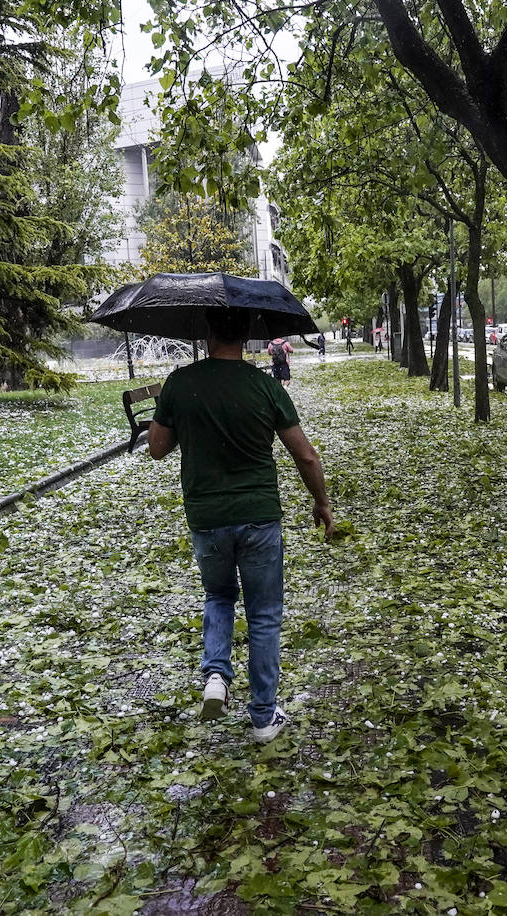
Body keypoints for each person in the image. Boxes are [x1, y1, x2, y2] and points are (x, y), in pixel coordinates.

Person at [148, 308, 334, 744]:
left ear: (209, 332)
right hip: (259, 516)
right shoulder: (265, 386)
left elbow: (157, 448)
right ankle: (263, 718)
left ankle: (216, 675)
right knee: (264, 615)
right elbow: (305, 455)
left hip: (207, 518)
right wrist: (321, 502)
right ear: (248, 336)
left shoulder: (180, 383)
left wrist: (182, 417)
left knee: (218, 595)